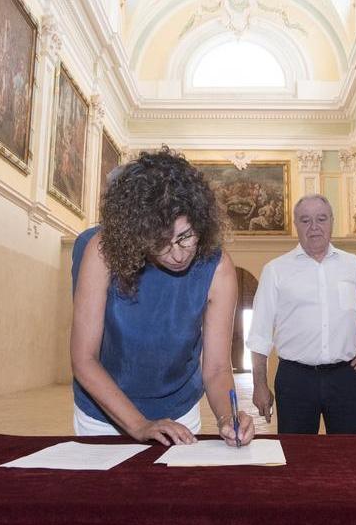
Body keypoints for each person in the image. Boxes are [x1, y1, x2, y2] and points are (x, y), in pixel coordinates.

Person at [70, 148, 255, 447]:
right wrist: (140, 425)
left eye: (185, 236)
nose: (178, 253)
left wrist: (226, 419)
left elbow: (218, 368)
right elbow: (84, 359)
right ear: (137, 235)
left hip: (179, 413)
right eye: (160, 242)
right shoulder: (101, 252)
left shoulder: (218, 268)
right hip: (102, 414)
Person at [246, 195, 356, 434]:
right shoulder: (275, 270)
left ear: (332, 221)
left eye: (321, 219)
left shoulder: (353, 265)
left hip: (346, 378)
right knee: (296, 458)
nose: (314, 227)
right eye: (305, 220)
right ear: (296, 225)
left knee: (349, 456)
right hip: (294, 380)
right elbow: (260, 332)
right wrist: (259, 384)